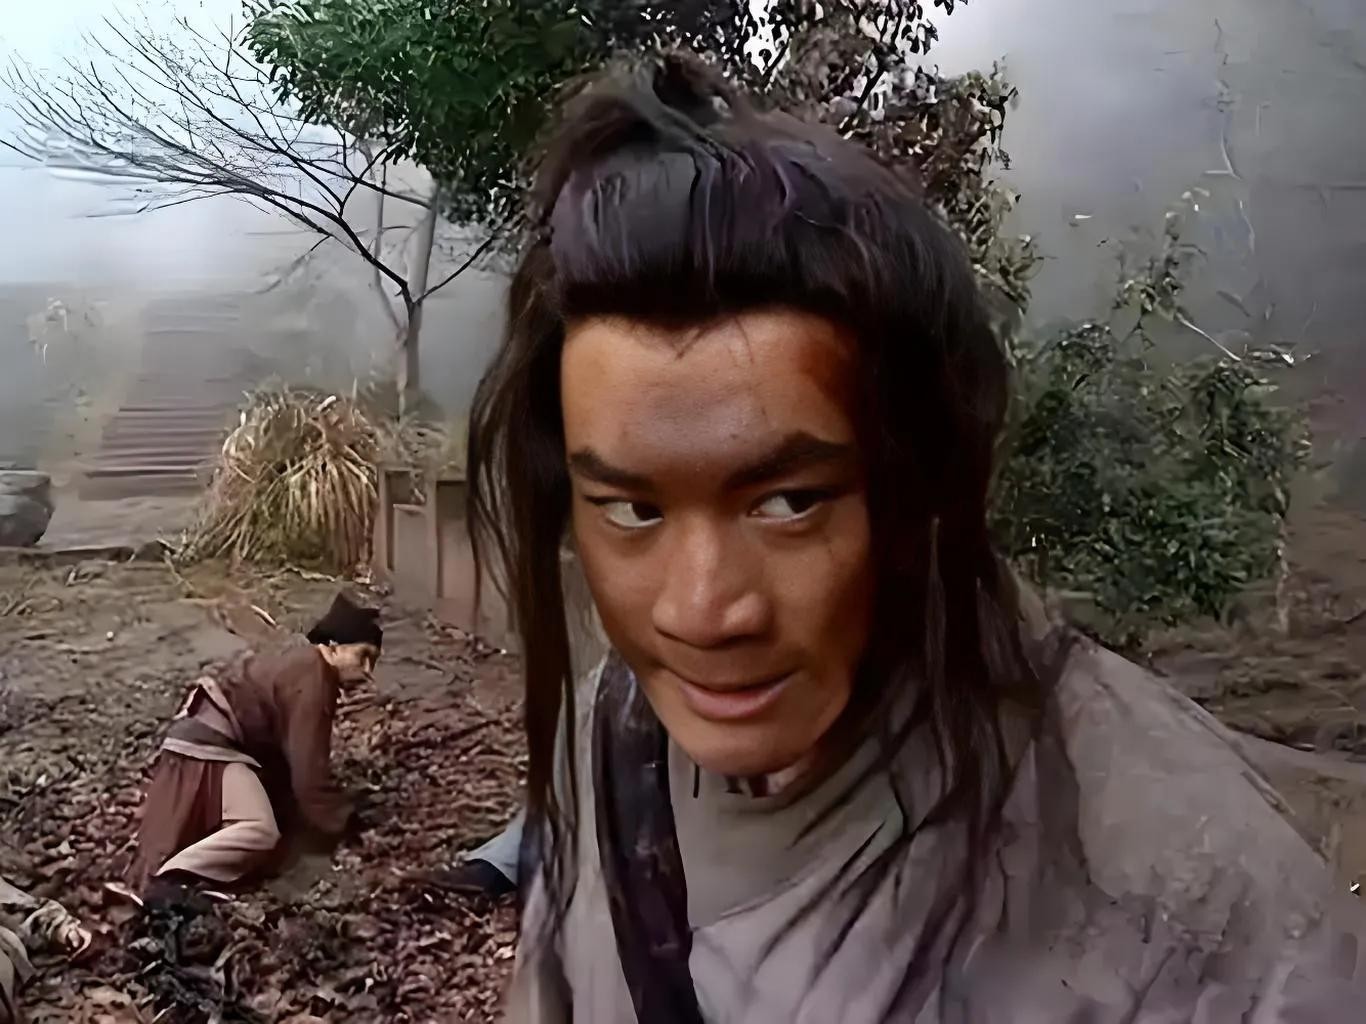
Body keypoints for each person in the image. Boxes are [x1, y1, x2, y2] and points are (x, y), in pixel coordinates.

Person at [465, 54, 1366, 1023]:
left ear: (917, 483)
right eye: (633, 510)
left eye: (788, 502)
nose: (703, 611)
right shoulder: (612, 741)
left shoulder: (1199, 917)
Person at [127, 594, 381, 895]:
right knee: (260, 831)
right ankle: (171, 880)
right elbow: (307, 773)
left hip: (195, 737)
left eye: (373, 662)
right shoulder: (313, 680)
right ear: (334, 647)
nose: (367, 671)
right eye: (363, 656)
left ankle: (173, 872)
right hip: (209, 747)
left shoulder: (300, 661)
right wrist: (345, 820)